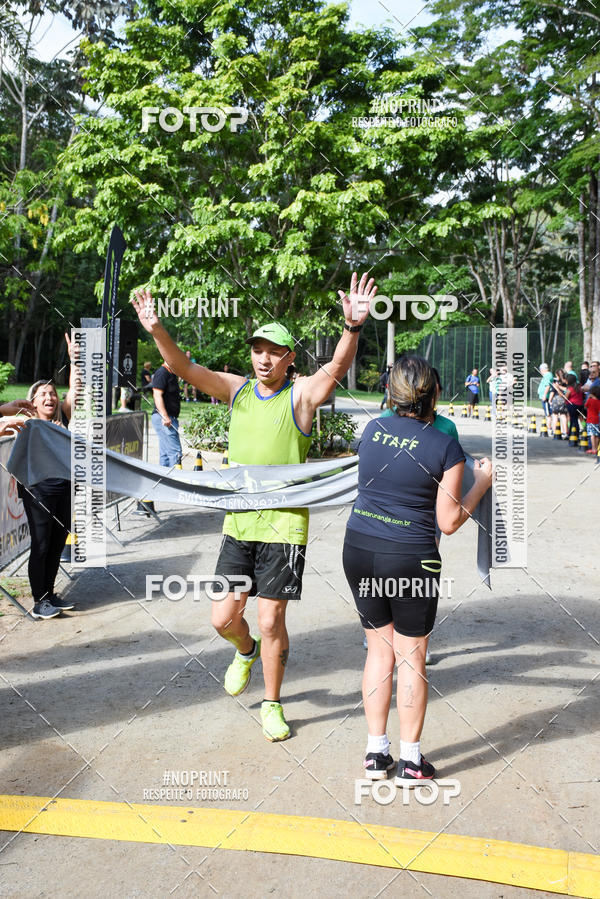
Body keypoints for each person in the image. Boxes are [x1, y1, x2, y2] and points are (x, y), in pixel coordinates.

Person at [132, 272, 376, 742]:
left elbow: (335, 371)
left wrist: (352, 328)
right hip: (240, 525)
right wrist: (157, 330)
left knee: (271, 619)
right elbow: (183, 369)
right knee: (223, 618)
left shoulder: (300, 396)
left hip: (284, 529)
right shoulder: (237, 390)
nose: (263, 358)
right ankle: (245, 651)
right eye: (257, 350)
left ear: (289, 359)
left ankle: (271, 703)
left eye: (273, 351)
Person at [343, 356, 492, 783]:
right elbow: (448, 521)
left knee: (378, 651)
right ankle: (410, 761)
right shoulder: (443, 444)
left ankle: (375, 753)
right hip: (410, 557)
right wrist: (481, 482)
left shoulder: (372, 430)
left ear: (391, 394)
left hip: (359, 547)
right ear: (435, 394)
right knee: (412, 656)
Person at [19, 334, 76, 620]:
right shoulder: (26, 423)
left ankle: (50, 594)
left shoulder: (62, 417)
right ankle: (39, 601)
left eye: (52, 393)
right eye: (43, 394)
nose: (50, 397)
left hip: (63, 489)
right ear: (33, 402)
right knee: (41, 544)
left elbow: (74, 391)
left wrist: (74, 360)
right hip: (37, 492)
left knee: (57, 542)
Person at [151, 360, 183, 468]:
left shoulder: (171, 373)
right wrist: (165, 416)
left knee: (165, 452)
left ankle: (163, 479)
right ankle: (175, 479)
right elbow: (157, 395)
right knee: (175, 452)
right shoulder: (162, 373)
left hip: (168, 417)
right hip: (164, 418)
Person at [564, 374, 585, 441]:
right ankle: (573, 433)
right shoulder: (579, 387)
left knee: (573, 420)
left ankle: (574, 434)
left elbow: (566, 398)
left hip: (572, 405)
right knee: (575, 419)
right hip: (580, 405)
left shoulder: (570, 389)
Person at [537, 363, 554, 430]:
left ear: (542, 369)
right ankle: (549, 427)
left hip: (546, 397)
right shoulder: (546, 375)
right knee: (547, 413)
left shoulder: (547, 375)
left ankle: (549, 427)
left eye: (540, 370)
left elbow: (548, 386)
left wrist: (544, 395)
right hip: (544, 397)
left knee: (548, 413)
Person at [585, 385, 600, 455]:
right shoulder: (598, 402)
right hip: (596, 419)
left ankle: (593, 449)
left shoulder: (590, 400)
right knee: (596, 435)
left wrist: (588, 398)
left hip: (590, 420)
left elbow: (585, 406)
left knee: (592, 435)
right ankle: (596, 449)